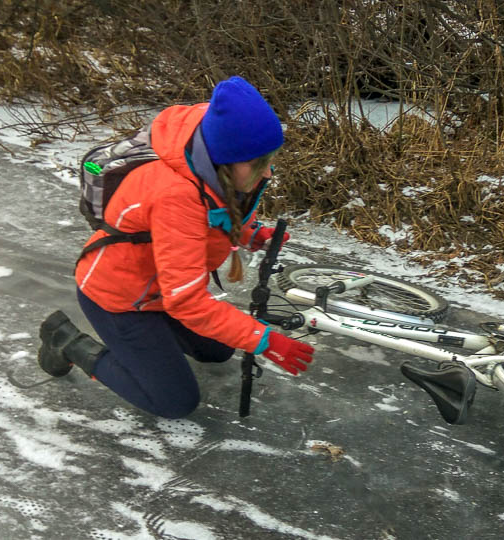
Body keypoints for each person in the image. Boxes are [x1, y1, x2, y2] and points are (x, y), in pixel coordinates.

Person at [36, 76, 315, 419]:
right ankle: (68, 343)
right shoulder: (176, 195)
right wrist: (265, 340)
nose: (267, 171)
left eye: (268, 159)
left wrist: (249, 234)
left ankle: (152, 345)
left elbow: (213, 215)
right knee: (174, 401)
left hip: (159, 289)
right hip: (119, 299)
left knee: (220, 349)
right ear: (226, 160)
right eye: (258, 163)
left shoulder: (210, 158)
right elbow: (187, 300)